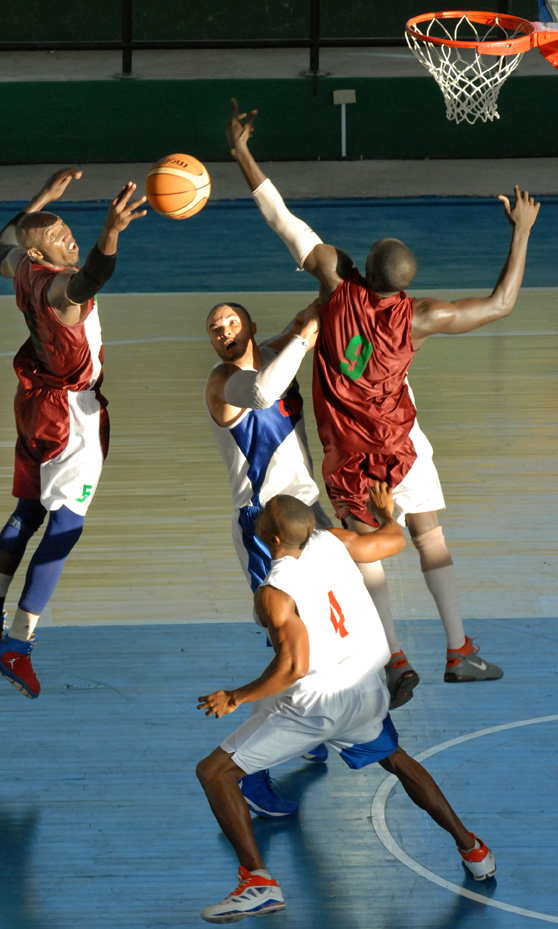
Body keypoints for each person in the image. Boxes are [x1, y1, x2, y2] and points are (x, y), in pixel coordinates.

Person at [226, 98, 541, 706]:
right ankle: (459, 651)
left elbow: (282, 218)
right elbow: (501, 304)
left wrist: (241, 151)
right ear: (405, 284)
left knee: (364, 554)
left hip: (349, 458)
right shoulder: (422, 317)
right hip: (401, 446)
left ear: (360, 267)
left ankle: (392, 659)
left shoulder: (334, 281)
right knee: (430, 537)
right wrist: (523, 230)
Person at [196, 489, 496, 923]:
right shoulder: (334, 540)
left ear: (272, 539)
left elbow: (293, 668)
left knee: (214, 772)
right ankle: (472, 848)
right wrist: (382, 512)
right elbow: (392, 539)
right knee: (396, 759)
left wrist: (236, 696)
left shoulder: (275, 592)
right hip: (364, 690)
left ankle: (257, 881)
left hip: (317, 706)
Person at [0, 168, 146, 699]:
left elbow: (1, 247)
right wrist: (110, 232)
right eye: (58, 236)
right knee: (67, 524)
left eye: (69, 229)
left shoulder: (22, 269)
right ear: (41, 255)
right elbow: (93, 279)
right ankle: (18, 642)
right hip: (70, 418)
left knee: (28, 512)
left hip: (34, 403)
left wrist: (42, 200)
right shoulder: (63, 290)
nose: (70, 237)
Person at [205, 298, 333, 818]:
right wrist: (305, 336)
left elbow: (313, 311)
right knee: (290, 647)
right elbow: (261, 391)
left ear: (251, 327)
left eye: (232, 321)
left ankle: (307, 726)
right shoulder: (224, 384)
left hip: (308, 517)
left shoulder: (276, 350)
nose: (224, 331)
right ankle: (250, 769)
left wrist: (337, 284)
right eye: (215, 328)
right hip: (267, 529)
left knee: (322, 632)